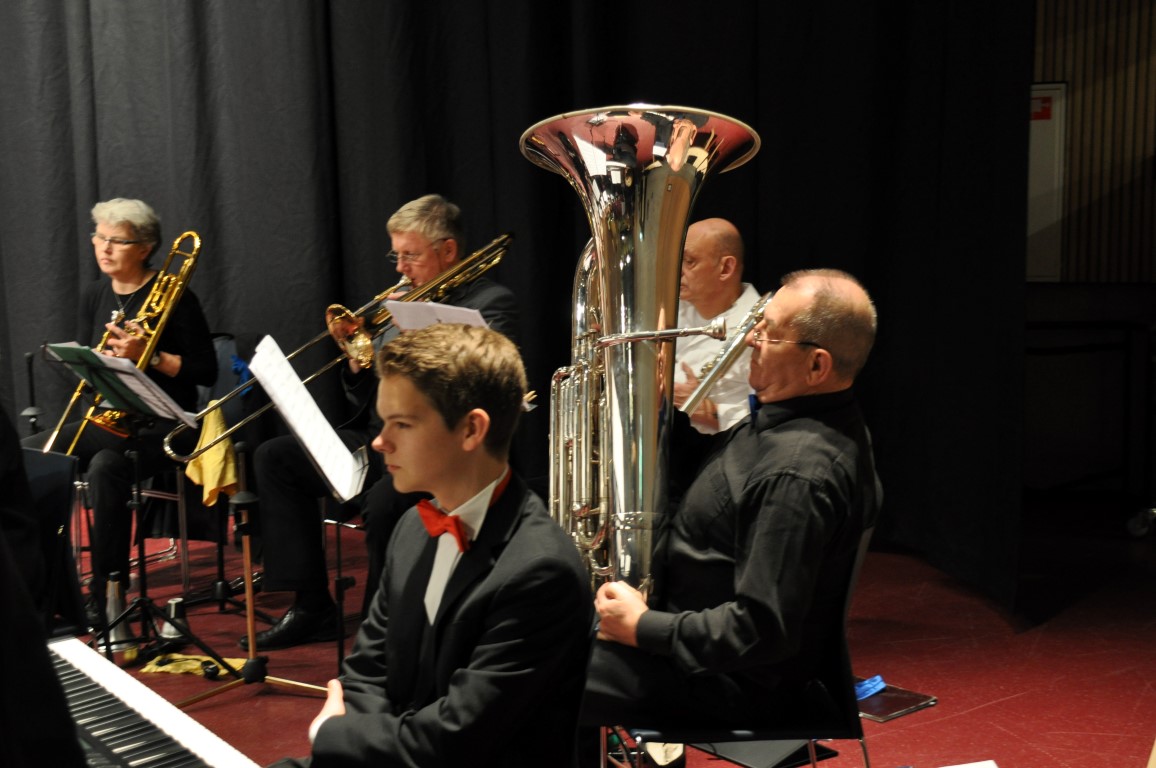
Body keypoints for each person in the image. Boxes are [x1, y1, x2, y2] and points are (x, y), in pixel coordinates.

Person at [578, 269, 881, 746]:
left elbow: (761, 630)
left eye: (769, 332)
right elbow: (720, 479)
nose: (751, 337)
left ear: (816, 366)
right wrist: (643, 402)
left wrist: (644, 627)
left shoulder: (797, 474)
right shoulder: (788, 420)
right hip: (691, 647)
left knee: (535, 672)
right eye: (758, 321)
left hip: (727, 684)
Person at [272, 323, 592, 767]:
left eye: (402, 424)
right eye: (383, 421)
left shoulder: (539, 571)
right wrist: (356, 741)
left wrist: (335, 733)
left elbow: (455, 740)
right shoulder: (411, 528)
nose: (380, 442)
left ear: (471, 430)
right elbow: (367, 672)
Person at [247, 193, 520, 651]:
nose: (401, 269)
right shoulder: (403, 303)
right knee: (276, 458)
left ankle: (384, 626)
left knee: (384, 501)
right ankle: (312, 606)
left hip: (442, 449)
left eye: (411, 255)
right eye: (397, 256)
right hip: (383, 437)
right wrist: (358, 364)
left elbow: (490, 388)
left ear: (448, 250)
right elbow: (370, 396)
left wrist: (424, 346)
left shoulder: (492, 303)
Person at [28, 198, 217, 624]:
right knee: (28, 456)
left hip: (167, 425)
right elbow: (85, 363)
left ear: (145, 247)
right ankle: (43, 582)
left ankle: (106, 591)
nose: (105, 247)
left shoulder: (177, 296)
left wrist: (149, 357)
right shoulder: (95, 293)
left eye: (118, 240)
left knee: (105, 468)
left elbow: (206, 370)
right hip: (111, 419)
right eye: (99, 237)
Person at [672, 218, 764, 434]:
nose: (676, 271)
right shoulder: (671, 306)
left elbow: (767, 420)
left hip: (714, 450)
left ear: (725, 268)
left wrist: (709, 412)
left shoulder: (762, 330)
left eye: (689, 261)